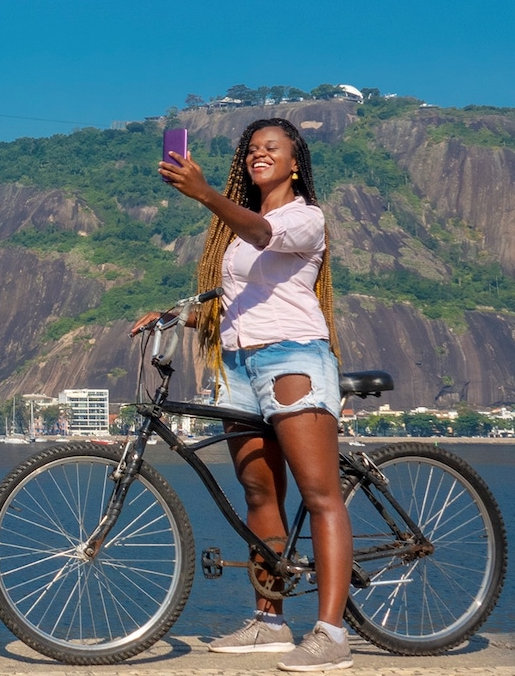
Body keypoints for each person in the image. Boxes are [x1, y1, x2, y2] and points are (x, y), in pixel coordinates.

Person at [137, 117, 353, 672]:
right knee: (260, 494)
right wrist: (177, 315)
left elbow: (265, 236)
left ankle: (331, 632)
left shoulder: (305, 217)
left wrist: (205, 193)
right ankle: (270, 620)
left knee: (320, 494)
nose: (259, 154)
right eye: (252, 148)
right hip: (237, 365)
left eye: (271, 147)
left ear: (294, 163)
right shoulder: (237, 230)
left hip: (292, 359)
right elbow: (238, 299)